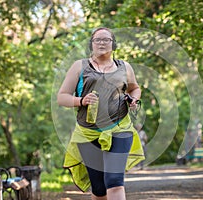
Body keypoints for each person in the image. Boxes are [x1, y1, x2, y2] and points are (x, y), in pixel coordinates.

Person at [57, 27, 145, 200]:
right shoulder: (79, 66)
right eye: (97, 39)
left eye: (106, 39)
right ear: (92, 44)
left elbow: (135, 88)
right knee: (98, 189)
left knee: (114, 180)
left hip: (120, 128)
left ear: (113, 44)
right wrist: (81, 101)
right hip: (87, 132)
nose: (102, 43)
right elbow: (62, 97)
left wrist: (134, 100)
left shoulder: (124, 67)